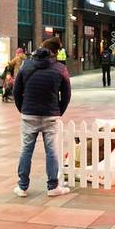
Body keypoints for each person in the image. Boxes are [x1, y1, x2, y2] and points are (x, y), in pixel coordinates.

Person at [12, 38, 72, 197]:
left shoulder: (26, 66)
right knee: (51, 151)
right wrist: (58, 111)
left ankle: (22, 187)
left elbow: (16, 91)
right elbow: (66, 95)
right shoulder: (60, 68)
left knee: (26, 149)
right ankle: (53, 187)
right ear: (55, 52)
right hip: (50, 115)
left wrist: (23, 109)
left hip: (29, 115)